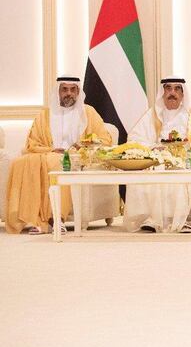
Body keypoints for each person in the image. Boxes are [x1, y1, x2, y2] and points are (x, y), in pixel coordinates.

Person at [4, 76, 112, 234]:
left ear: (78, 92)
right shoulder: (45, 115)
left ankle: (56, 219)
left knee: (60, 163)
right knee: (20, 163)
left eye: (73, 89)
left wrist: (79, 146)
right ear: (58, 91)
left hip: (76, 156)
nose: (69, 93)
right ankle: (37, 219)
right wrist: (51, 150)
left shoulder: (88, 112)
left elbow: (104, 139)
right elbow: (32, 143)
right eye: (64, 89)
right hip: (49, 153)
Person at [124, 76, 191, 233]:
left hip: (184, 161)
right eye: (168, 88)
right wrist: (153, 148)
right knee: (157, 171)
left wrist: (190, 154)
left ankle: (181, 220)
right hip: (157, 161)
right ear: (162, 92)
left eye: (177, 88)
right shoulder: (152, 114)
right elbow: (134, 139)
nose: (172, 93)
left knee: (179, 173)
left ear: (183, 93)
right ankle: (154, 219)